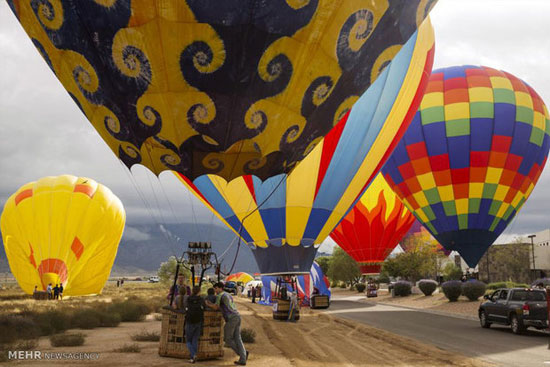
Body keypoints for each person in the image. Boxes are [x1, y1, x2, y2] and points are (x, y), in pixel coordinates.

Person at [205, 282, 248, 366]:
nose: (215, 291)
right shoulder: (228, 294)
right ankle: (243, 357)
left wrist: (208, 304)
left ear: (220, 288)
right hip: (237, 316)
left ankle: (243, 354)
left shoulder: (220, 296)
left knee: (227, 338)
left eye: (216, 289)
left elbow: (216, 307)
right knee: (238, 338)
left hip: (231, 318)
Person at [184, 286, 204, 364]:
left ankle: (193, 355)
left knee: (188, 340)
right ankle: (193, 357)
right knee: (195, 340)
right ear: (199, 291)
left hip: (189, 321)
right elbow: (204, 308)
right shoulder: (201, 299)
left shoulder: (189, 299)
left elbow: (186, 307)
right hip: (198, 321)